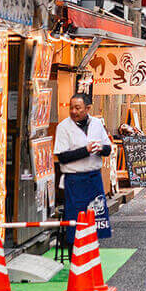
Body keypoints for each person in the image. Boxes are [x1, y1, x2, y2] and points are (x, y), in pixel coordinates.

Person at [53, 93, 113, 245]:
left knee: (96, 219)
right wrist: (85, 150)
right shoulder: (63, 127)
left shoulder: (97, 123)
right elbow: (62, 157)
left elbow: (108, 149)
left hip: (94, 178)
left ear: (88, 108)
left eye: (77, 108)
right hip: (74, 180)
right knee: (75, 220)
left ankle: (92, 255)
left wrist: (100, 148)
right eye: (71, 108)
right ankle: (75, 259)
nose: (73, 111)